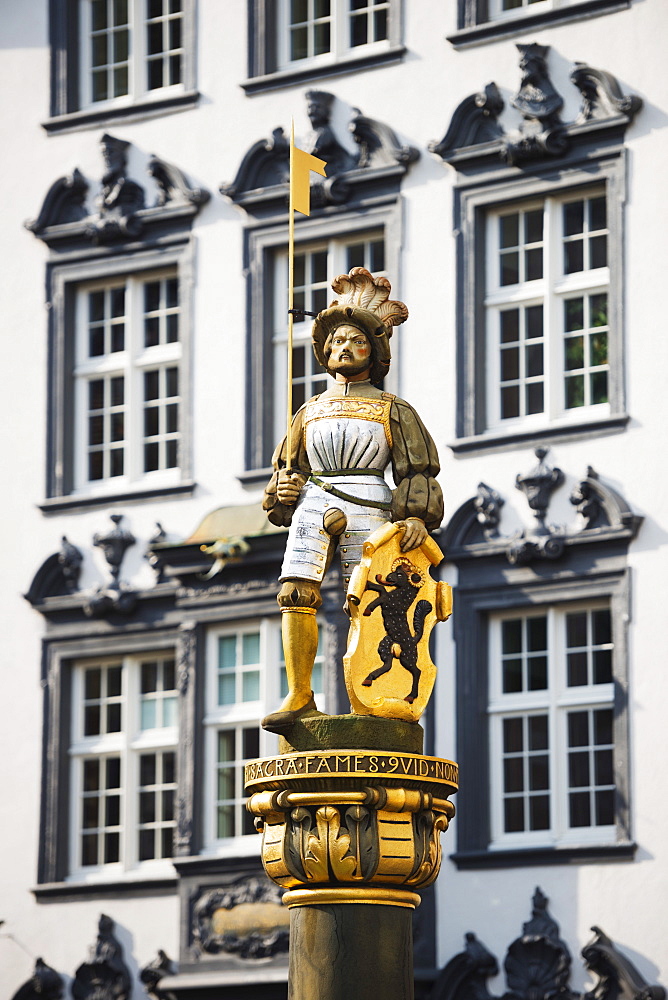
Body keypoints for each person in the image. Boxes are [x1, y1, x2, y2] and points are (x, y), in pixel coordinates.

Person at [262, 267, 443, 732]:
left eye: (356, 341)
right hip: (315, 501)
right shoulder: (308, 410)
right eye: (337, 340)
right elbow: (287, 471)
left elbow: (416, 468)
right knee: (295, 591)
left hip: (370, 499)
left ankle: (372, 698)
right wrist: (281, 493)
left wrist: (416, 516)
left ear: (374, 351)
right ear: (324, 351)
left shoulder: (393, 409)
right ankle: (300, 693)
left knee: (370, 597)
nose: (344, 347)